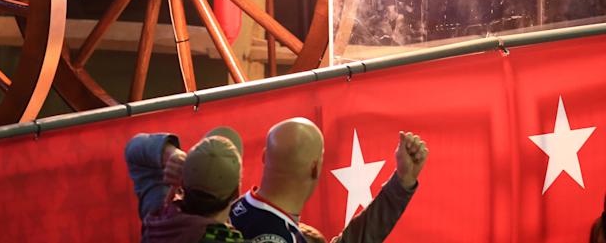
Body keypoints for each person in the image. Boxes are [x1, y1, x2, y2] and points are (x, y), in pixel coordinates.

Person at [229, 119, 427, 243]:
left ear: (265, 156)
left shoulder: (233, 212)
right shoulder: (280, 235)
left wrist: (401, 182)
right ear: (315, 168)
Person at [125, 128, 247, 242]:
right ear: (237, 193)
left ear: (182, 181)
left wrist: (172, 155)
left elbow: (134, 148)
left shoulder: (159, 219)